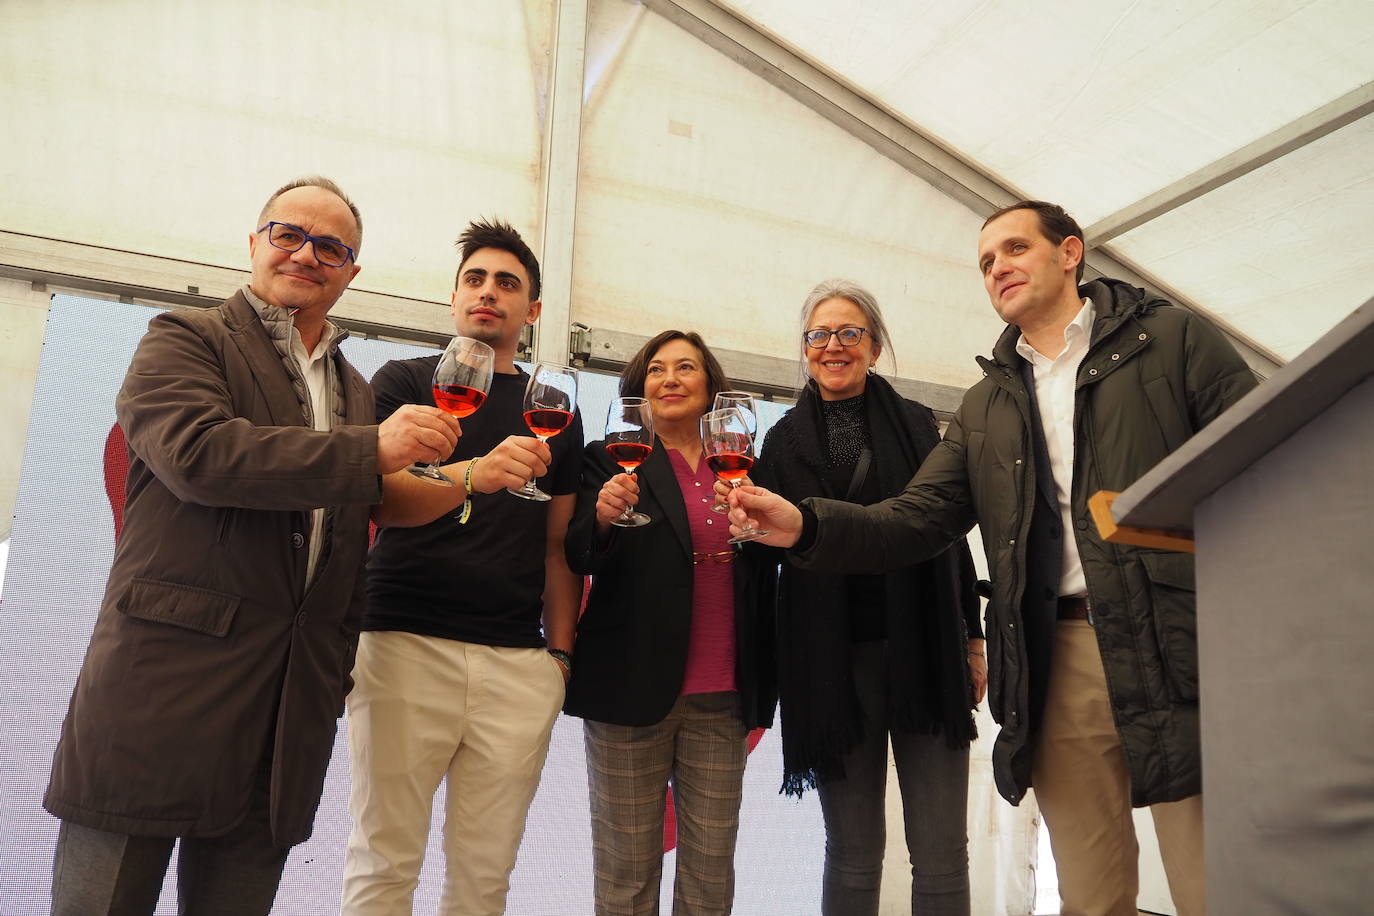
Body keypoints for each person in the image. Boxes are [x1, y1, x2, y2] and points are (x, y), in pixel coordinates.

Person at [727, 201, 1257, 916]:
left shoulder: (1171, 340)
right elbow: (917, 522)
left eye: (1014, 248)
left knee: (1216, 885)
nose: (999, 267)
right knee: (1091, 895)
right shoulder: (987, 405)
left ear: (1070, 252)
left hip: (1176, 645)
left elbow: (1263, 462)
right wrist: (805, 525)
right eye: (985, 261)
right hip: (1054, 655)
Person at [44, 176, 461, 915]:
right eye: (289, 234)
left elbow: (350, 534)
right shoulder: (183, 338)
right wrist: (371, 448)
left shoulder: (355, 388)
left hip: (286, 714)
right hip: (163, 698)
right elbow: (201, 456)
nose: (307, 254)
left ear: (351, 272)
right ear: (254, 242)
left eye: (330, 246)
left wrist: (332, 668)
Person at [341, 218, 583, 915]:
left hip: (517, 663)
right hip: (404, 643)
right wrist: (473, 474)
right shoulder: (406, 382)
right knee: (382, 862)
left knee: (485, 881)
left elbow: (558, 547)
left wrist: (558, 660)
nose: (489, 293)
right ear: (453, 300)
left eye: (508, 284)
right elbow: (382, 503)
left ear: (531, 311)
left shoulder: (555, 409)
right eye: (474, 279)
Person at [750, 280, 983, 915]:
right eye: (818, 335)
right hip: (831, 664)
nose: (833, 346)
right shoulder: (780, 442)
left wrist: (974, 637)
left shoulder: (918, 426)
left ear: (873, 347)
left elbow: (948, 534)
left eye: (849, 333)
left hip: (926, 652)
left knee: (941, 853)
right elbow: (761, 550)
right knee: (851, 853)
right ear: (805, 350)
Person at [563, 330, 776, 916]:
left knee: (710, 880)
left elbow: (770, 557)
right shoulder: (608, 456)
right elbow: (577, 552)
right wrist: (602, 520)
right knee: (626, 875)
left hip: (723, 696)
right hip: (628, 689)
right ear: (640, 386)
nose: (671, 378)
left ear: (710, 385)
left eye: (686, 367)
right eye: (657, 369)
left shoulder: (743, 464)